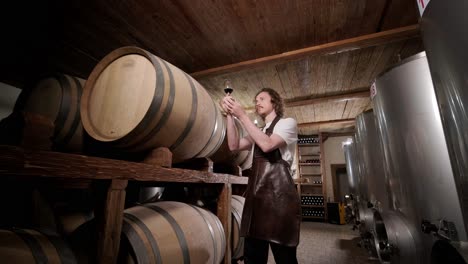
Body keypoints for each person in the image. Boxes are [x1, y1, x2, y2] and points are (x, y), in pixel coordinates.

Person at [221, 87, 301, 264]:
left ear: (275, 102)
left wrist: (242, 116)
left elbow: (268, 145)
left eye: (262, 98)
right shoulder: (259, 131)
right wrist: (230, 116)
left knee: (285, 258)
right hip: (256, 201)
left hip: (279, 202)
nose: (257, 102)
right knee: (253, 258)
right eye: (256, 100)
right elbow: (233, 145)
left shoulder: (287, 123)